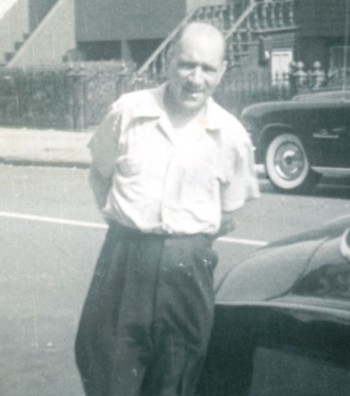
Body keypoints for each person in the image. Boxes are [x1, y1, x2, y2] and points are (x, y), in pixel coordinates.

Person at [75, 22, 260, 396]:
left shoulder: (231, 135)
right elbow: (101, 174)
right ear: (169, 63)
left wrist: (180, 241)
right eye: (187, 65)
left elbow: (228, 215)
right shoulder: (128, 112)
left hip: (188, 273)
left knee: (177, 379)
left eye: (207, 69)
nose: (195, 78)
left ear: (222, 72)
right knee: (108, 371)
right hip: (124, 264)